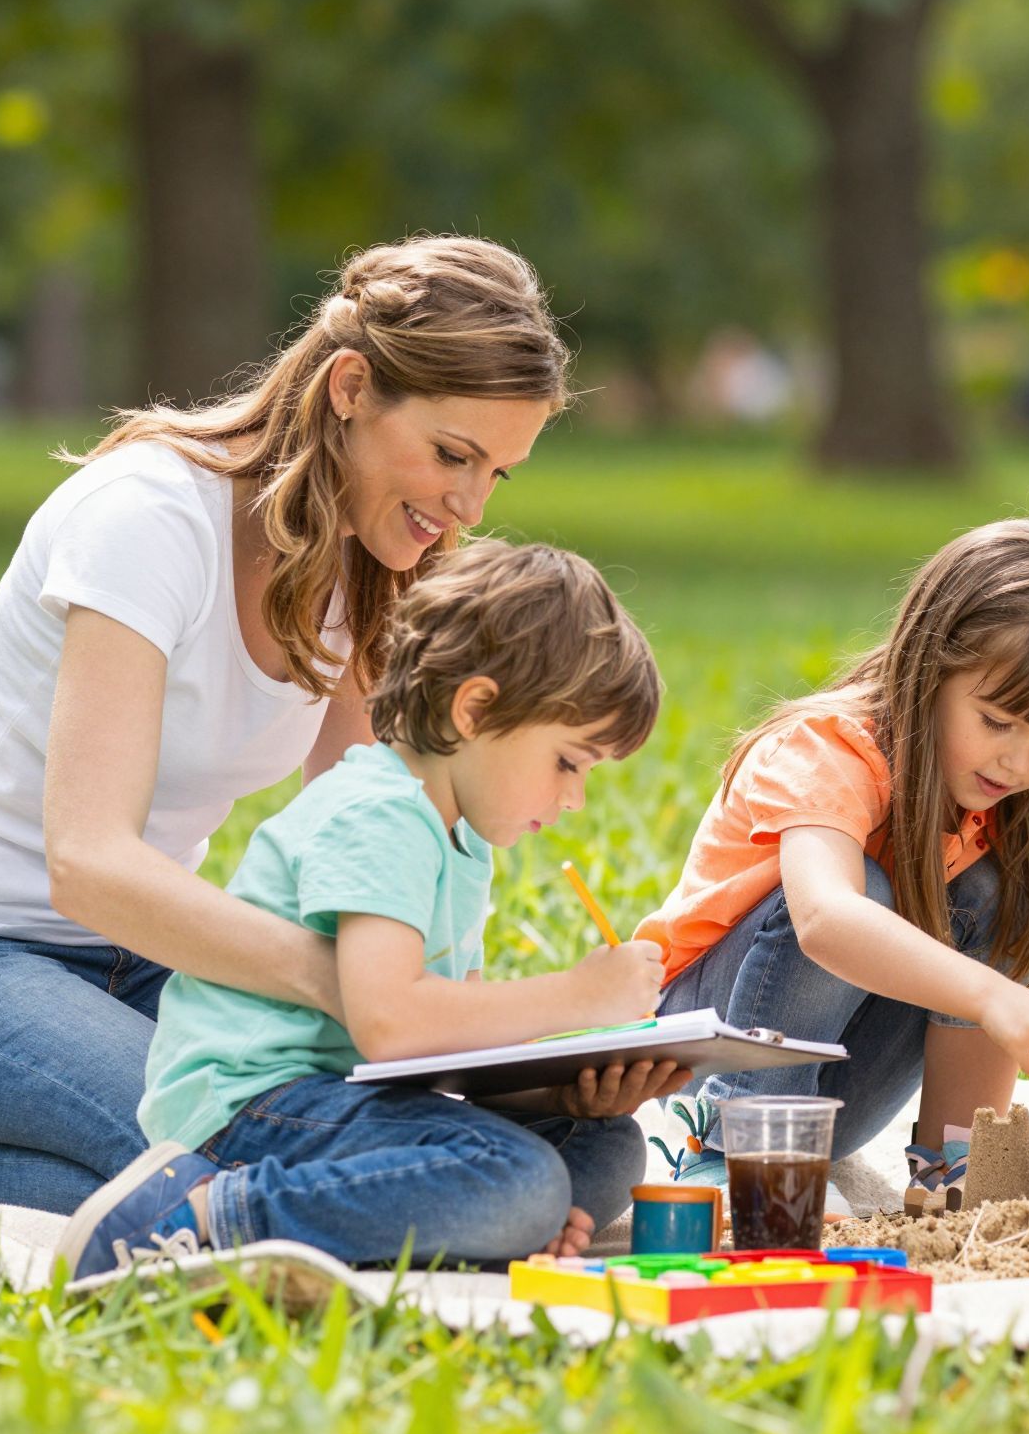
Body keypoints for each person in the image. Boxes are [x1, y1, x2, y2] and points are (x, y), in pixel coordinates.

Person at [0, 237, 569, 1212]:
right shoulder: (146, 519)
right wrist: (342, 987)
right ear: (351, 386)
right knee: (255, 1171)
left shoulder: (371, 559)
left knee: (570, 1154)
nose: (467, 504)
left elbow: (369, 824)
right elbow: (87, 860)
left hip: (156, 959)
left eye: (498, 473)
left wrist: (454, 1024)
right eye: (452, 455)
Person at [57, 541, 689, 1276]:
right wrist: (580, 996)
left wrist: (572, 1088)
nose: (573, 798)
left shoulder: (460, 836)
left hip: (347, 1098)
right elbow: (391, 1026)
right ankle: (202, 1214)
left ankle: (474, 1223)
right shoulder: (381, 813)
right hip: (253, 1106)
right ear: (476, 710)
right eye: (567, 763)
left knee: (604, 1145)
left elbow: (453, 1052)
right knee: (524, 1182)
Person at [636, 518, 1029, 1206]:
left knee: (998, 890)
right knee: (870, 887)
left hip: (832, 1094)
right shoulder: (829, 750)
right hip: (702, 1049)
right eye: (997, 721)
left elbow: (990, 935)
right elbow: (824, 919)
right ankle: (722, 1148)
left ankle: (951, 1163)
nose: (1021, 761)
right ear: (931, 668)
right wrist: (996, 998)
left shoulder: (1023, 806)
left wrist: (971, 1164)